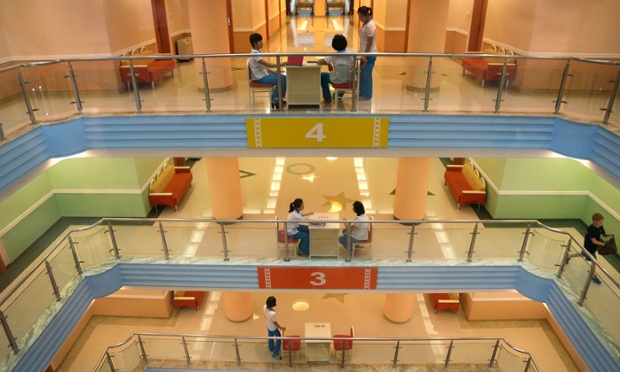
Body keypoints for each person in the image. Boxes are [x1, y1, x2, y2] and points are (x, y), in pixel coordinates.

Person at [567, 212, 615, 284]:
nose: (601, 224)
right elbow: (594, 241)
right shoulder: (591, 229)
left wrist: (610, 234)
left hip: (593, 247)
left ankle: (568, 256)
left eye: (602, 222)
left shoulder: (600, 227)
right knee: (594, 262)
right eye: (600, 222)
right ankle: (592, 275)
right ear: (594, 221)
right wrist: (603, 244)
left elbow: (604, 235)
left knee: (582, 254)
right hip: (588, 246)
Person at [317, 34, 366, 104]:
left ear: (334, 46)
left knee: (322, 76)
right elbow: (364, 61)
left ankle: (327, 98)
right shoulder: (352, 53)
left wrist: (328, 63)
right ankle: (339, 95)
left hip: (337, 79)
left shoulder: (333, 56)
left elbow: (319, 62)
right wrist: (356, 70)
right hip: (349, 79)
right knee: (344, 76)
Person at [248, 33, 287, 109]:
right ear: (254, 43)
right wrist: (281, 64)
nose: (262, 43)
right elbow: (267, 64)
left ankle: (280, 98)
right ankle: (274, 99)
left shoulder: (259, 52)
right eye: (260, 41)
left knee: (284, 78)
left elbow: (264, 67)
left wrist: (273, 72)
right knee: (280, 80)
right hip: (259, 77)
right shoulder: (255, 54)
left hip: (264, 74)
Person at [357, 6, 376, 100]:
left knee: (367, 75)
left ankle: (367, 95)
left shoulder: (370, 26)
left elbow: (369, 42)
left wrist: (365, 55)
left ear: (366, 15)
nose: (360, 18)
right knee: (362, 74)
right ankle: (362, 93)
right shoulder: (366, 23)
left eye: (361, 16)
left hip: (369, 54)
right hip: (364, 53)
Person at [263, 296, 286, 360]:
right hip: (273, 327)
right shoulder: (273, 313)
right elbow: (275, 322)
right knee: (278, 339)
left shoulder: (264, 307)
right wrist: (281, 328)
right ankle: (275, 354)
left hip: (267, 324)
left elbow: (264, 316)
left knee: (270, 336)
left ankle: (271, 347)